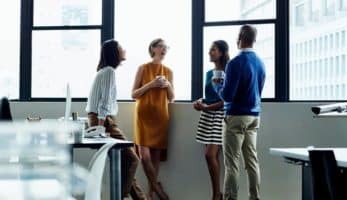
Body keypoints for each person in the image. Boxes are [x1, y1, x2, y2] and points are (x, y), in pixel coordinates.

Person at [85, 39, 146, 200]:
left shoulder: (104, 71)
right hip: (104, 122)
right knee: (132, 159)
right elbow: (104, 103)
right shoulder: (109, 72)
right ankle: (119, 197)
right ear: (115, 52)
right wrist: (100, 130)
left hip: (102, 120)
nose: (124, 50)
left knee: (125, 162)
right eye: (121, 48)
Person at [213, 25, 266, 200]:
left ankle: (230, 198)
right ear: (254, 39)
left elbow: (227, 96)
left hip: (235, 117)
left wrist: (217, 84)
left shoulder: (234, 63)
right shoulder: (260, 62)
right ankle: (255, 197)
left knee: (231, 163)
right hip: (254, 117)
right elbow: (259, 90)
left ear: (241, 38)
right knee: (252, 161)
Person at [132, 38, 174, 200]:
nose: (164, 50)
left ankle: (150, 194)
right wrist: (151, 84)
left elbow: (171, 98)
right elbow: (134, 94)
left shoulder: (168, 71)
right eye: (161, 47)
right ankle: (157, 188)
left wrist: (168, 86)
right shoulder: (142, 68)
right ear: (153, 48)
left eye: (166, 47)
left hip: (160, 117)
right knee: (144, 156)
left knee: (156, 158)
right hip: (143, 117)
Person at [193, 40, 229, 200]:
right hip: (207, 115)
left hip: (220, 115)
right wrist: (200, 101)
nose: (210, 52)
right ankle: (217, 193)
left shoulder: (228, 72)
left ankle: (217, 194)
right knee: (210, 157)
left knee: (210, 155)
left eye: (213, 50)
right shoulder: (209, 73)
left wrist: (207, 107)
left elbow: (226, 100)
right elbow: (209, 95)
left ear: (221, 52)